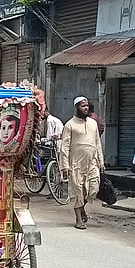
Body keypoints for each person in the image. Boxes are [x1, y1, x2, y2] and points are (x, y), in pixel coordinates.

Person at [59, 96, 105, 230]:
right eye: (82, 106)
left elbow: (98, 144)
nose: (85, 108)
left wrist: (101, 162)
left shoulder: (92, 123)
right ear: (76, 108)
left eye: (87, 106)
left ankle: (82, 208)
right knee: (77, 191)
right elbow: (65, 147)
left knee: (93, 190)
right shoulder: (70, 124)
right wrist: (65, 166)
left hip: (92, 163)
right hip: (75, 164)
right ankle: (79, 219)